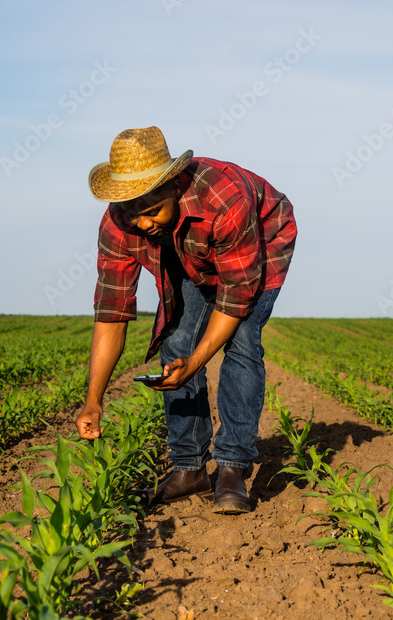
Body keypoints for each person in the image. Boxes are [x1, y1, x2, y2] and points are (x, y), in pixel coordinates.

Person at [74, 126, 297, 514]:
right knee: (176, 340)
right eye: (133, 214)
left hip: (260, 237)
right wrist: (94, 400)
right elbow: (111, 312)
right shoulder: (118, 224)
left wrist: (196, 363)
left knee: (242, 341)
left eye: (151, 211)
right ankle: (189, 469)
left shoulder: (224, 199)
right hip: (188, 250)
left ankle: (232, 467)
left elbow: (234, 299)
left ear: (175, 185)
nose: (143, 224)